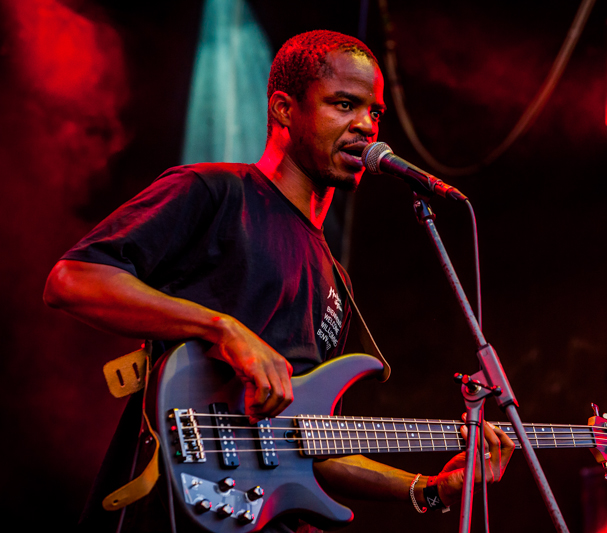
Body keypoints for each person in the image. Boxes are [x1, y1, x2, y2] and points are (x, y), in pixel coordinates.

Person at [44, 30, 514, 532]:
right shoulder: (216, 192)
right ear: (285, 109)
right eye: (343, 104)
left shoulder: (337, 279)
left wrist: (428, 491)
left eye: (374, 112)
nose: (365, 125)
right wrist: (223, 329)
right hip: (168, 513)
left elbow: (305, 442)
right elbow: (72, 279)